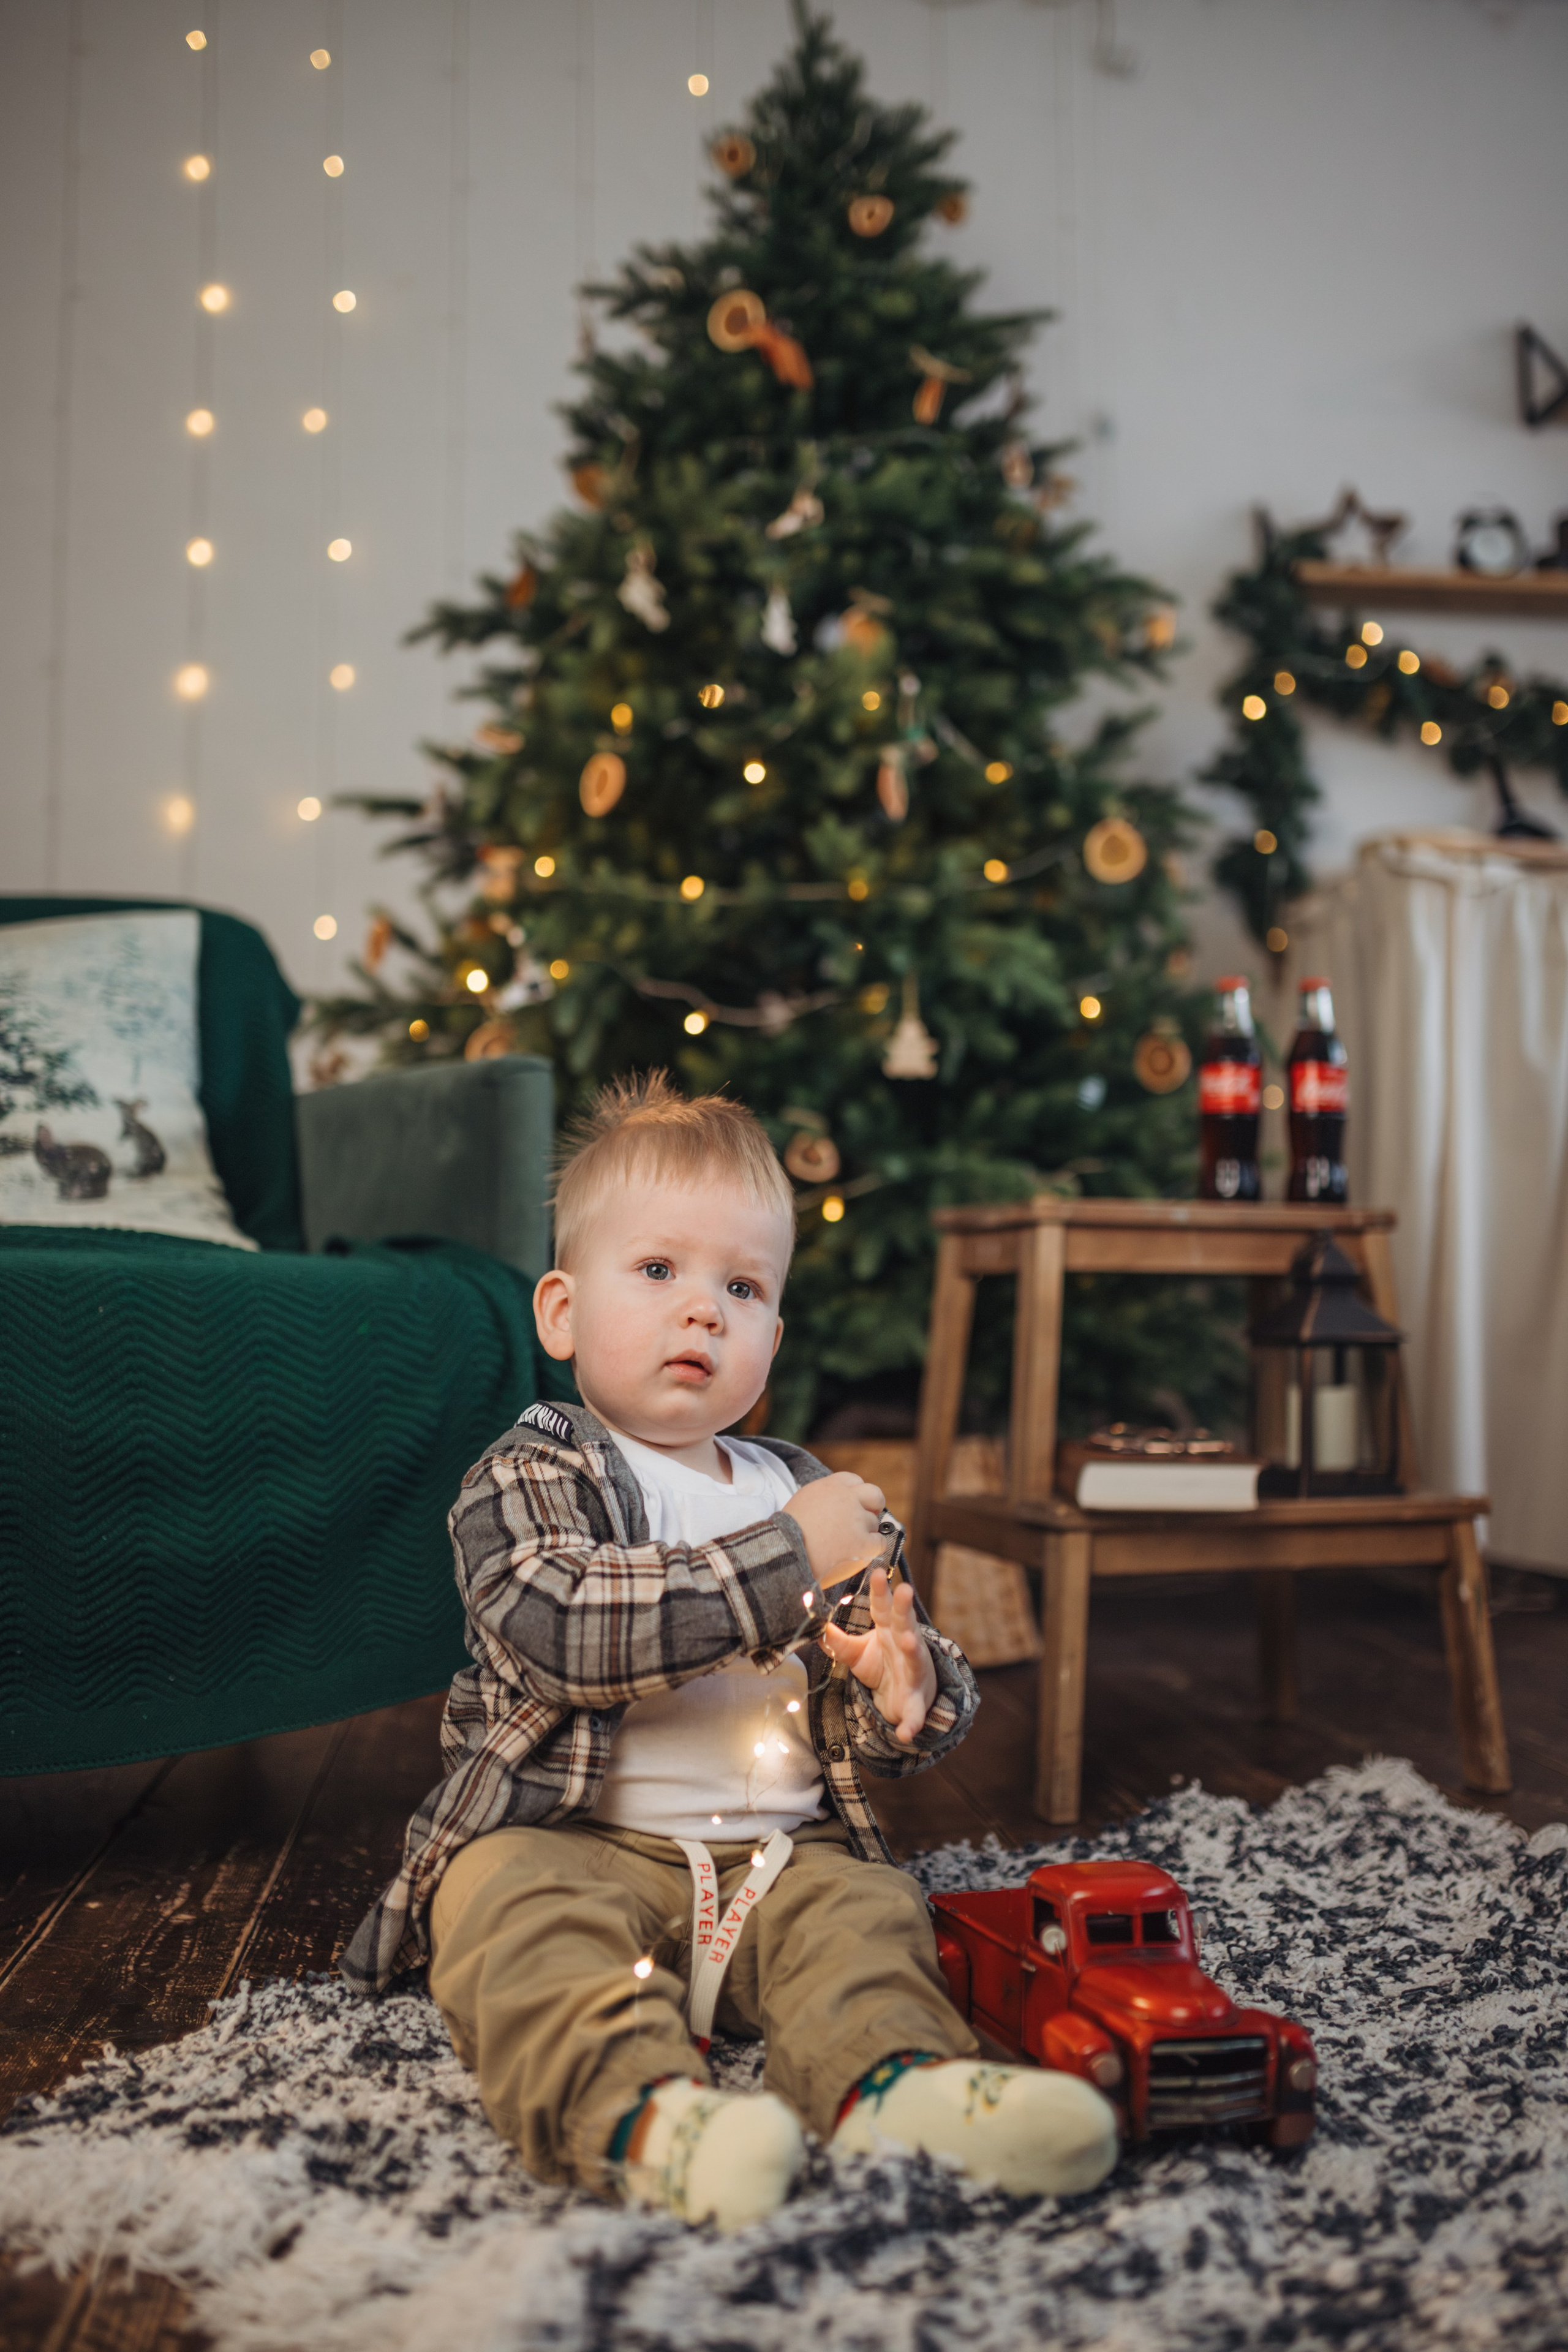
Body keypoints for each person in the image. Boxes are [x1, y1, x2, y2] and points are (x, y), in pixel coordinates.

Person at [342, 1073, 1117, 2230]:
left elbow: (890, 1661)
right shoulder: (532, 1475)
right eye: (658, 1271)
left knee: (869, 1916)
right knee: (502, 1907)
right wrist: (785, 1564)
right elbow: (560, 1628)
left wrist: (908, 1691)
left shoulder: (807, 1491)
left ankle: (900, 2086)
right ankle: (650, 2117)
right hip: (579, 1842)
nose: (702, 1309)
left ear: (772, 1337)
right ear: (561, 1312)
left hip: (777, 1858)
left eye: (741, 1286)